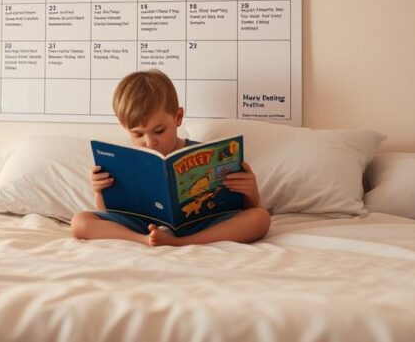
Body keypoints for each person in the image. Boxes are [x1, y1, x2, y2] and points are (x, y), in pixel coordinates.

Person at [71, 69, 271, 246]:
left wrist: (250, 190)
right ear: (125, 128)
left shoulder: (207, 154)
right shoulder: (121, 161)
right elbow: (108, 212)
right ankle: (145, 241)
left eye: (159, 131)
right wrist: (100, 191)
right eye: (138, 134)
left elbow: (249, 208)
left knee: (261, 218)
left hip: (199, 225)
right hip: (140, 226)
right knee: (79, 221)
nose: (149, 142)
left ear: (177, 117)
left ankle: (180, 242)